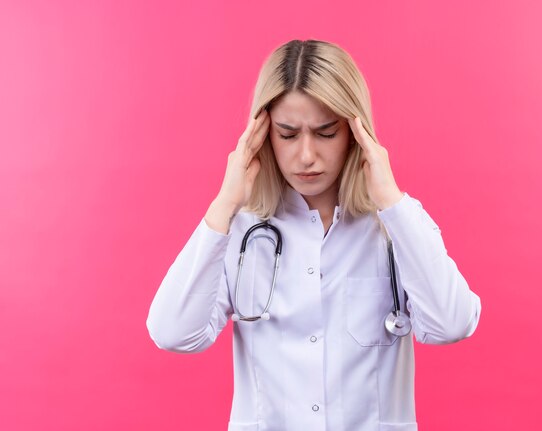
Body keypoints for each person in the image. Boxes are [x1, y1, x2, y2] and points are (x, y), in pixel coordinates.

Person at [147, 39, 481, 431]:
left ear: (356, 133)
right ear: (262, 135)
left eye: (325, 133)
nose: (306, 155)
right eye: (287, 134)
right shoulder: (240, 231)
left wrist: (390, 199)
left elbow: (452, 323)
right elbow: (173, 332)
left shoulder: (396, 227)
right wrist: (224, 204)